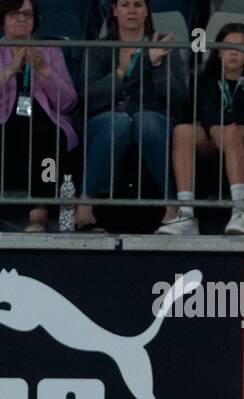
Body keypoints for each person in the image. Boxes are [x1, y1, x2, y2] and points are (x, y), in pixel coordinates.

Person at [76, 0, 189, 233]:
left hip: (154, 117)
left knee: (144, 121)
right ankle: (85, 205)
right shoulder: (98, 47)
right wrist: (120, 73)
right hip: (107, 118)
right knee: (119, 122)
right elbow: (86, 97)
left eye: (138, 5)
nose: (131, 10)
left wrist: (157, 65)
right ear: (115, 11)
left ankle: (172, 206)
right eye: (125, 4)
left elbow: (179, 98)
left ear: (146, 11)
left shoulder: (163, 44)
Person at [163, 22, 244, 237]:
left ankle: (240, 211)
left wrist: (219, 126)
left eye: (240, 47)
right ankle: (186, 213)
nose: (234, 52)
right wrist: (215, 128)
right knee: (183, 131)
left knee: (231, 132)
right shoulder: (204, 80)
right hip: (214, 134)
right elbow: (202, 112)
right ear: (218, 51)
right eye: (228, 46)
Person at [0, 0, 79, 233]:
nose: (22, 19)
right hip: (5, 121)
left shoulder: (49, 50)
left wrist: (45, 71)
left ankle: (40, 213)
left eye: (28, 14)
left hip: (45, 122)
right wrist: (10, 70)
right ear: (3, 19)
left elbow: (68, 102)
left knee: (49, 138)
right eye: (15, 13)